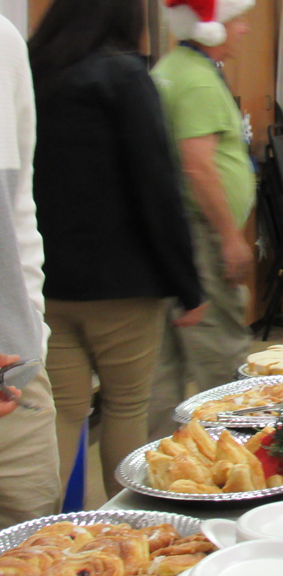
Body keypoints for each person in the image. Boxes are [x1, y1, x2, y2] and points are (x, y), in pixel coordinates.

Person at [28, 0, 204, 497]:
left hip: (46, 280)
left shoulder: (32, 71)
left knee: (64, 412)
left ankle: (40, 532)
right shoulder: (124, 76)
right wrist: (187, 285)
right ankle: (123, 525)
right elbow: (156, 187)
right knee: (127, 406)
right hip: (123, 284)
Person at [150, 0, 257, 439]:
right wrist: (230, 237)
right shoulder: (196, 79)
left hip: (180, 234)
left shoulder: (172, 68)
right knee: (222, 358)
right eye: (237, 19)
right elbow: (198, 167)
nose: (244, 29)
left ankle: (162, 456)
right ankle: (236, 454)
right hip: (203, 238)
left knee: (166, 368)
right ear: (213, 26)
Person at [0, 14, 61, 527]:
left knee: (40, 547)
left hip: (17, 384)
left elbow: (19, 205)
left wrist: (31, 328)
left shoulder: (3, 42)